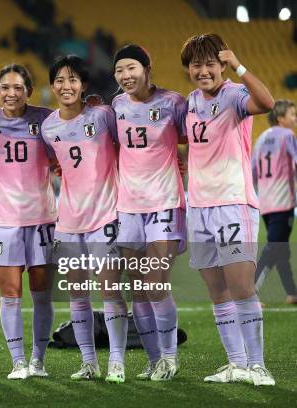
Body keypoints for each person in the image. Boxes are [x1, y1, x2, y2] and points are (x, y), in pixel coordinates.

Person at [181, 33, 275, 386]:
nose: (203, 71)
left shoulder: (234, 94)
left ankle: (257, 365)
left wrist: (239, 64)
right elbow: (188, 146)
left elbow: (266, 102)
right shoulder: (188, 103)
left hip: (233, 203)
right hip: (199, 207)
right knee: (217, 291)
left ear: (221, 65)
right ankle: (236, 364)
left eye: (210, 64)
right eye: (196, 65)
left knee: (241, 288)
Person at [40, 55, 122, 382]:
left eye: (73, 79)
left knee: (110, 292)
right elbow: (56, 162)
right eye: (60, 80)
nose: (66, 86)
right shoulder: (48, 126)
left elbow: (127, 143)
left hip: (105, 215)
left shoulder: (102, 115)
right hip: (69, 220)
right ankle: (89, 362)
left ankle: (116, 361)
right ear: (53, 86)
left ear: (84, 85)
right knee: (77, 294)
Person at [0, 64, 55, 379]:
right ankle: (18, 362)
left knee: (41, 293)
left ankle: (38, 360)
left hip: (43, 218)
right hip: (4, 221)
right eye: (5, 87)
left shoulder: (45, 118)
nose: (11, 93)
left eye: (18, 87)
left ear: (28, 91)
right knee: (10, 294)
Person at [112, 44, 187, 381]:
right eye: (119, 70)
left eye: (131, 68)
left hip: (164, 203)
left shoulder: (173, 102)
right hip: (128, 206)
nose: (125, 76)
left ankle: (170, 358)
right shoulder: (116, 105)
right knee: (138, 288)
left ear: (146, 67)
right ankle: (154, 360)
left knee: (157, 283)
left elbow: (192, 140)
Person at [252, 100, 297, 304]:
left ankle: (292, 292)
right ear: (280, 118)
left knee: (280, 248)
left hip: (265, 201)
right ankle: (249, 291)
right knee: (274, 247)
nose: (295, 119)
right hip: (283, 200)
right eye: (292, 114)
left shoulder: (261, 138)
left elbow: (252, 171)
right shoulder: (288, 135)